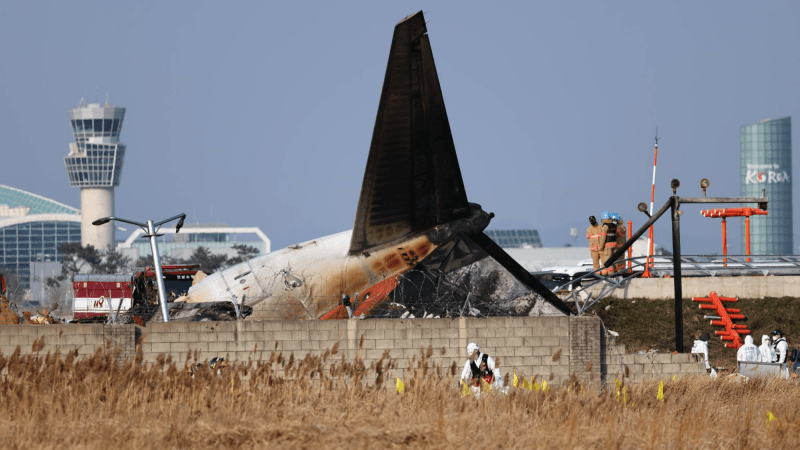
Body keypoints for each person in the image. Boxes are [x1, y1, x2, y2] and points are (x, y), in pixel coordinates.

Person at [599, 212, 617, 276]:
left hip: (608, 246)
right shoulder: (614, 225)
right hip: (614, 245)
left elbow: (603, 238)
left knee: (608, 260)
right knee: (613, 260)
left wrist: (601, 247)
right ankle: (613, 273)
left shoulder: (605, 226)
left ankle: (610, 274)